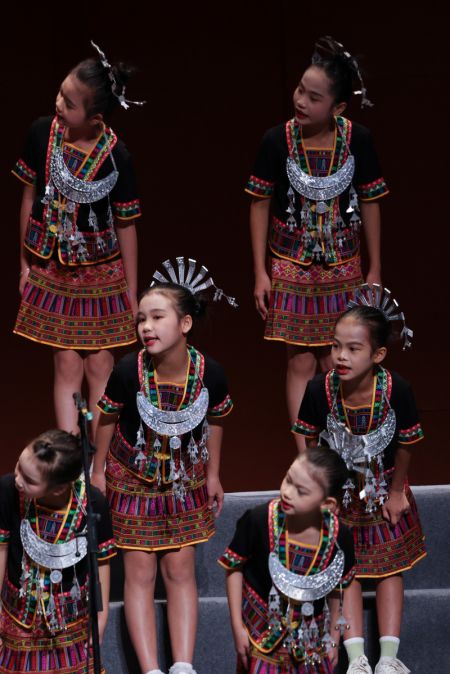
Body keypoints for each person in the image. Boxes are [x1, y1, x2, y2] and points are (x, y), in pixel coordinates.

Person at [91, 258, 235, 674]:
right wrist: (98, 471)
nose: (146, 327)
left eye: (157, 317)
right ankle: (152, 669)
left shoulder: (212, 373)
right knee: (138, 573)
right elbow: (105, 419)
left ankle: (183, 666)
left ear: (185, 324)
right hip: (131, 478)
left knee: (179, 570)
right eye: (141, 319)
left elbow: (217, 422)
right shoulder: (126, 370)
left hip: (184, 480)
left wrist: (212, 474)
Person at [247, 35, 389, 425]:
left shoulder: (358, 140)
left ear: (338, 107)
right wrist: (261, 271)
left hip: (344, 264)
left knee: (335, 358)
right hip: (290, 263)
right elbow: (259, 203)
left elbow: (371, 201)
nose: (301, 101)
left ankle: (337, 447)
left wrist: (374, 268)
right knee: (301, 360)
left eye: (313, 97)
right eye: (299, 90)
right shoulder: (276, 140)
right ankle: (305, 459)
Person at [13, 41, 144, 436]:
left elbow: (126, 225)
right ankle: (72, 458)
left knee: (101, 364)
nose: (59, 104)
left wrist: (130, 292)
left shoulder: (116, 154)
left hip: (102, 274)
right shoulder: (42, 134)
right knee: (66, 363)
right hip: (53, 268)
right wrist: (25, 265)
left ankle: (100, 464)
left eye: (69, 103)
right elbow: (29, 198)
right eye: (60, 93)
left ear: (95, 116)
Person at [293, 286, 425, 674]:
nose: (341, 356)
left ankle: (387, 658)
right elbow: (310, 440)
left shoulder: (396, 389)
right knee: (343, 569)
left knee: (388, 571)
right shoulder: (319, 389)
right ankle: (357, 659)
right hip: (339, 493)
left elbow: (406, 443)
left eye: (353, 349)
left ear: (378, 354)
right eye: (336, 347)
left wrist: (398, 490)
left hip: (384, 488)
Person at [219, 445, 358, 673]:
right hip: (262, 634)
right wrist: (237, 625)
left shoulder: (339, 537)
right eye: (288, 479)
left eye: (301, 491)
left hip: (312, 640)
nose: (287, 492)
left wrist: (334, 638)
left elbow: (339, 589)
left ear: (328, 504)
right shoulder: (258, 520)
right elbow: (234, 567)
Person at [0, 429, 115, 674]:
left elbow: (102, 564)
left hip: (71, 620)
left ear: (58, 488)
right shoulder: (8, 489)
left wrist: (101, 617)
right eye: (19, 467)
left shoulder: (93, 503)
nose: (18, 479)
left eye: (30, 480)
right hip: (18, 615)